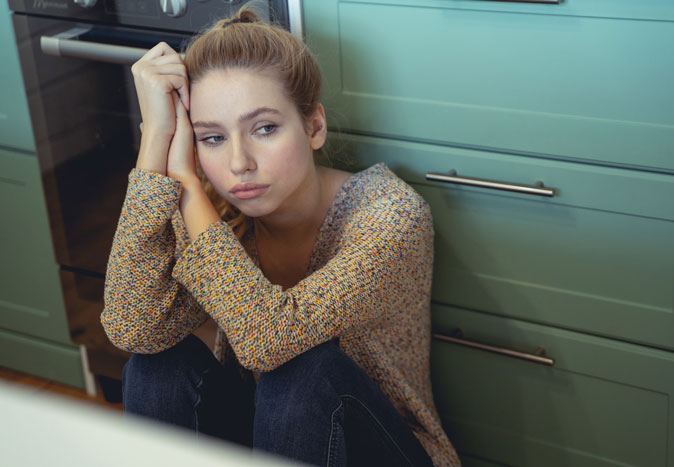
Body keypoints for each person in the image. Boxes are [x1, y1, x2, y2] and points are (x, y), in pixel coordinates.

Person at [101, 4, 460, 466]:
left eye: (264, 129)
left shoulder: (390, 216)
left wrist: (187, 183)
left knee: (303, 372)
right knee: (155, 367)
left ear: (314, 126)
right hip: (269, 438)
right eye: (211, 138)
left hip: (381, 451)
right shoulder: (215, 209)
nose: (238, 163)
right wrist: (156, 143)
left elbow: (267, 341)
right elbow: (134, 327)